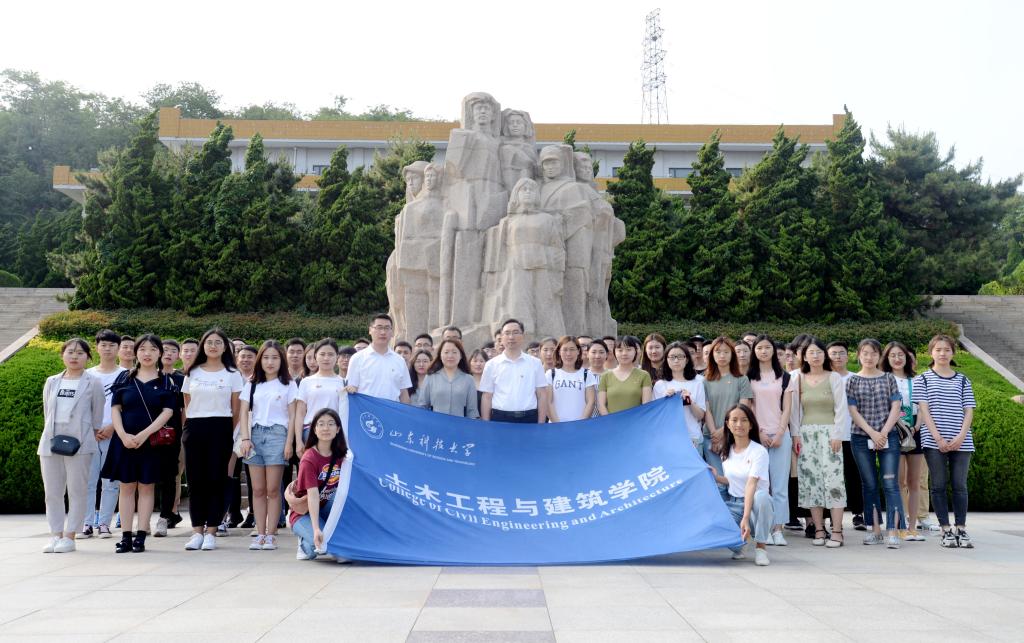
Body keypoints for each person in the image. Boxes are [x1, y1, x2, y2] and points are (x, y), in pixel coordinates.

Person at [102, 334, 176, 553]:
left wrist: (143, 435)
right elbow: (115, 408)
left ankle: (141, 536)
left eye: (152, 349)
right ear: (136, 352)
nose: (147, 353)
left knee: (146, 487)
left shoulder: (166, 381)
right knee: (126, 487)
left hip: (151, 442)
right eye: (142, 349)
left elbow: (168, 412)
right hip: (124, 441)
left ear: (160, 353)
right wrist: (122, 434)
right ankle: (126, 536)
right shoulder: (124, 378)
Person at [39, 338, 105, 553]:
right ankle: (56, 535)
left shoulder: (93, 382)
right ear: (62, 355)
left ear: (88, 357)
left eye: (80, 353)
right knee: (52, 492)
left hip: (80, 443)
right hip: (51, 442)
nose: (74, 356)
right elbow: (47, 411)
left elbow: (97, 414)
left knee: (77, 490)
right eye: (70, 352)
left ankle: (70, 536)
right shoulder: (52, 381)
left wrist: (90, 435)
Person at [182, 328, 244, 551]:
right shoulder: (193, 372)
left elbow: (236, 410)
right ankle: (197, 531)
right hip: (195, 427)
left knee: (216, 480)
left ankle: (211, 531)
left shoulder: (232, 374)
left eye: (218, 342)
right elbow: (187, 403)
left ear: (225, 347)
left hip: (221, 428)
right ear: (203, 345)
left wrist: (227, 433)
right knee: (196, 481)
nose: (213, 346)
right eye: (209, 342)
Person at [913, 335, 977, 548]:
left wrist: (960, 437)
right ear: (931, 352)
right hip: (933, 441)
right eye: (938, 349)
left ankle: (961, 528)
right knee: (938, 485)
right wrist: (938, 438)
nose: (942, 353)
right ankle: (945, 530)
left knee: (960, 486)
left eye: (947, 350)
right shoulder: (922, 379)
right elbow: (924, 411)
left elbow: (969, 410)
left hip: (962, 441)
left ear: (953, 353)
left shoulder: (963, 380)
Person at [789, 337, 850, 548]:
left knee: (833, 481)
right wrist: (796, 435)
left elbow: (841, 408)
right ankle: (819, 529)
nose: (815, 356)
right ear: (804, 357)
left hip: (830, 434)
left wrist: (837, 435)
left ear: (825, 355)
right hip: (806, 435)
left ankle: (837, 531)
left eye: (819, 352)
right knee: (811, 481)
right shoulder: (798, 378)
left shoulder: (834, 377)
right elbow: (795, 411)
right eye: (811, 353)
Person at [847, 338, 905, 548]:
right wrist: (872, 433)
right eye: (865, 353)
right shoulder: (852, 381)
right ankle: (875, 530)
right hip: (861, 437)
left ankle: (893, 531)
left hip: (888, 435)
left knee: (890, 483)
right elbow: (853, 411)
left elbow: (896, 406)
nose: (869, 357)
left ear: (879, 356)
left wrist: (883, 433)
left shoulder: (889, 378)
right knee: (869, 484)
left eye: (873, 353)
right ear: (858, 355)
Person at [240, 340, 297, 551]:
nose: (270, 362)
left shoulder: (288, 384)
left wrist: (289, 442)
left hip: (277, 435)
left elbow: (292, 416)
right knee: (257, 489)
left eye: (274, 358)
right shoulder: (252, 383)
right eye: (265, 357)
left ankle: (271, 534)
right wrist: (245, 438)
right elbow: (243, 412)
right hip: (254, 435)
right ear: (260, 360)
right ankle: (260, 533)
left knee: (273, 489)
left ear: (281, 360)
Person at [708, 404, 772, 566]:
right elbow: (733, 481)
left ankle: (761, 548)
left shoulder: (759, 451)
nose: (739, 424)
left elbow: (751, 484)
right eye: (734, 420)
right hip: (734, 503)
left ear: (751, 425)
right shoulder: (726, 451)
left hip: (755, 505)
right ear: (728, 424)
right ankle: (741, 544)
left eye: (744, 420)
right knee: (714, 526)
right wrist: (717, 477)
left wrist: (745, 517)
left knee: (762, 497)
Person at [747, 335, 794, 545]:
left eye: (767, 347)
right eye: (759, 348)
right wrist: (759, 433)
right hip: (757, 437)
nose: (763, 351)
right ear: (754, 351)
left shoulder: (784, 377)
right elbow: (748, 408)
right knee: (759, 486)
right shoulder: (749, 376)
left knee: (780, 485)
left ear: (774, 351)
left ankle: (778, 529)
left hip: (780, 435)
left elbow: (787, 408)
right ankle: (762, 529)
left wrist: (781, 433)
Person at [288, 408, 347, 561]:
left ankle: (330, 534)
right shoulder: (309, 458)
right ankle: (304, 541)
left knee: (340, 494)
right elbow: (312, 496)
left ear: (338, 429)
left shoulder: (343, 455)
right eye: (321, 424)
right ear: (314, 429)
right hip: (305, 512)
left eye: (331, 424)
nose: (326, 428)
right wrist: (315, 529)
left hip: (326, 507)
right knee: (319, 547)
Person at [83, 329, 125, 539]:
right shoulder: (87, 374)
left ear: (118, 348)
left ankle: (104, 524)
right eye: (103, 345)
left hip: (115, 434)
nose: (107, 349)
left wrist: (112, 427)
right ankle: (86, 523)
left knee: (111, 482)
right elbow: (82, 405)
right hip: (90, 434)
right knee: (88, 482)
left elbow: (128, 406)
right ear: (97, 347)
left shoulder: (126, 374)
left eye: (112, 345)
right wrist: (92, 428)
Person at [883, 341, 926, 541]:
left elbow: (923, 406)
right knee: (898, 481)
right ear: (887, 358)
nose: (897, 359)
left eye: (901, 355)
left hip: (914, 431)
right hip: (893, 432)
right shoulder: (884, 379)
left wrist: (916, 425)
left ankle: (912, 526)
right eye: (893, 355)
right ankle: (899, 525)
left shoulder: (917, 380)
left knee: (914, 481)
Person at [702, 336, 754, 497]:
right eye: (718, 352)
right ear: (712, 355)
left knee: (735, 481)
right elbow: (706, 409)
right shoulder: (705, 381)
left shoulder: (742, 379)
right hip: (710, 438)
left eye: (726, 352)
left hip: (734, 437)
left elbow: (743, 410)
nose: (722, 356)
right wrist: (714, 434)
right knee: (718, 483)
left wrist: (724, 432)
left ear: (732, 355)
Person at [479, 318, 548, 423]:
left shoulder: (535, 363)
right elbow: (487, 397)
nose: (511, 337)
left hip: (529, 418)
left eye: (515, 332)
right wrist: (486, 425)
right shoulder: (491, 365)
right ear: (502, 338)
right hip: (500, 418)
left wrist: (541, 424)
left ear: (523, 336)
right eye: (507, 333)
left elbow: (541, 395)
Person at [154, 338, 185, 537]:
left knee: (169, 477)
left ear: (178, 356)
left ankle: (165, 516)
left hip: (170, 434)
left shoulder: (181, 379)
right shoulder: (147, 376)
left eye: (173, 350)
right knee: (146, 478)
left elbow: (185, 408)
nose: (168, 353)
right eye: (164, 350)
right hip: (143, 433)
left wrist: (182, 432)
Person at [346, 314, 412, 403]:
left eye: (387, 328)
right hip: (367, 410)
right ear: (370, 330)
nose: (383, 332)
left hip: (392, 410)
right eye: (379, 327)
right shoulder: (357, 358)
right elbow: (352, 389)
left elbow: (403, 393)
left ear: (392, 332)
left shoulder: (399, 360)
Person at [295, 339, 348, 452]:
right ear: (316, 356)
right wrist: (298, 441)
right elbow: (300, 413)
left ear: (337, 357)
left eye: (330, 354)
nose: (326, 358)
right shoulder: (306, 382)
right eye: (322, 354)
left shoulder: (343, 382)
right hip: (310, 431)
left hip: (335, 432)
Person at [652, 342, 706, 450]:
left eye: (680, 357)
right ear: (666, 360)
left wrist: (689, 401)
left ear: (687, 360)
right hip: (667, 439)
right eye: (672, 357)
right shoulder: (660, 385)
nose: (676, 360)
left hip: (692, 438)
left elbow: (700, 416)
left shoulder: (698, 382)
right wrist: (665, 400)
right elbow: (656, 416)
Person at [418, 339, 480, 418]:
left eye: (454, 352)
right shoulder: (430, 377)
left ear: (461, 356)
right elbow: (422, 406)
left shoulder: (469, 379)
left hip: (459, 424)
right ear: (440, 355)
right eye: (446, 352)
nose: (450, 356)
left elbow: (472, 411)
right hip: (435, 424)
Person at [597, 336, 652, 414]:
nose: (624, 353)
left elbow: (646, 406)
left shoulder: (644, 375)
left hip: (637, 420)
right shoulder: (605, 376)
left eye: (629, 350)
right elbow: (601, 405)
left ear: (635, 352)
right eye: (620, 350)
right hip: (611, 420)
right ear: (614, 352)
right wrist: (609, 420)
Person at [547, 336, 596, 422]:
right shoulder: (551, 374)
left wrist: (579, 424)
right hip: (556, 426)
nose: (568, 354)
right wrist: (558, 425)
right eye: (565, 349)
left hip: (580, 426)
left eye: (572, 349)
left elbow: (591, 402)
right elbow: (548, 402)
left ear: (578, 351)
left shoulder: (587, 374)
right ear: (559, 352)